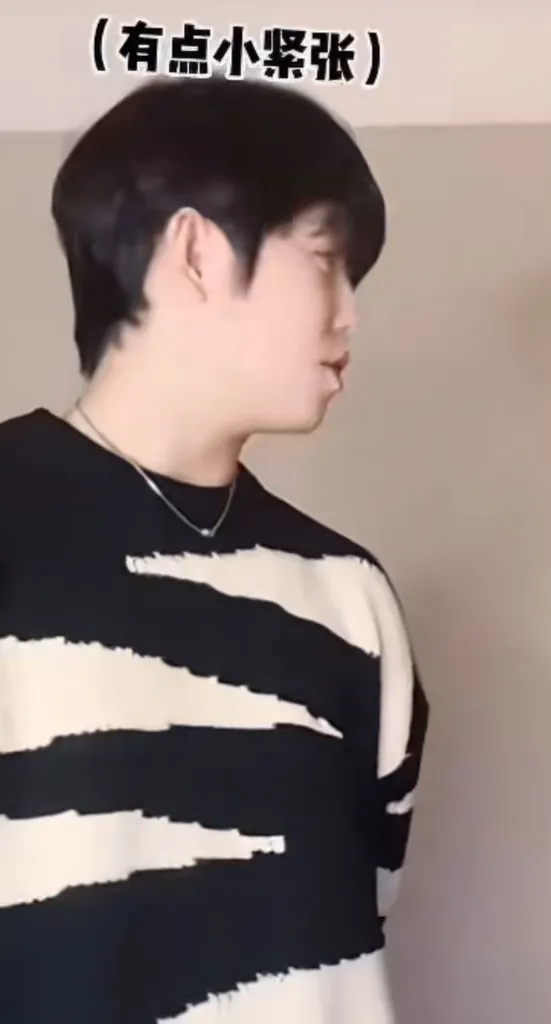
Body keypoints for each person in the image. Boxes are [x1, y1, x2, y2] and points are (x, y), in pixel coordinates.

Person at [0, 77, 428, 1023]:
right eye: (326, 259)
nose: (350, 313)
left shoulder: (348, 597)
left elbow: (356, 918)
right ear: (195, 252)